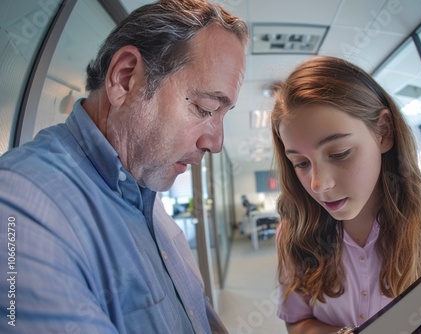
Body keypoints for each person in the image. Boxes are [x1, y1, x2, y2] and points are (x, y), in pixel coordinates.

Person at [0, 0, 247, 333]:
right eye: (204, 109)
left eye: (222, 115)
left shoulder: (144, 192)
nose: (215, 143)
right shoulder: (20, 209)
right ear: (125, 78)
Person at [270, 56, 421, 333]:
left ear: (383, 132)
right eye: (301, 163)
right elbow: (297, 322)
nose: (319, 185)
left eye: (339, 153)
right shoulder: (293, 231)